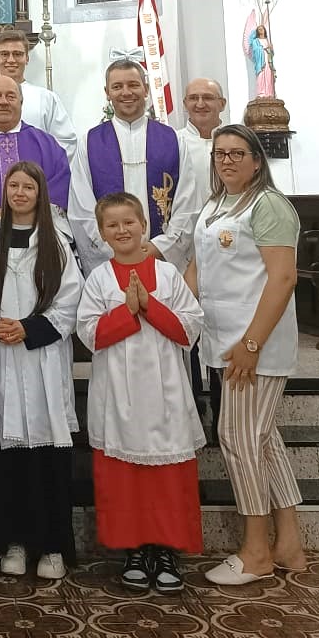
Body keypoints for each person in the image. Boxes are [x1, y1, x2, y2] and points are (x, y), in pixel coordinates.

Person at [189, 125, 306, 586]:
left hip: (255, 344)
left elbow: (282, 279)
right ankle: (290, 543)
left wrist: (252, 343)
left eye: (238, 153)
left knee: (237, 437)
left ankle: (256, 550)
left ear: (258, 160)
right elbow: (198, 270)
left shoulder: (269, 205)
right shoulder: (216, 205)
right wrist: (169, 310)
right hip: (223, 341)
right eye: (220, 154)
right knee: (263, 439)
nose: (227, 161)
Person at [76, 193, 205, 593]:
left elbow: (189, 329)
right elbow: (89, 334)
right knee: (124, 477)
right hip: (119, 393)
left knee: (166, 477)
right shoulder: (98, 279)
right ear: (101, 234)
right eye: (112, 225)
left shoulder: (167, 276)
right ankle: (132, 549)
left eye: (128, 222)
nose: (122, 230)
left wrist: (149, 306)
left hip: (163, 392)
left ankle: (166, 549)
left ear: (144, 225)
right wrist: (127, 312)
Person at [0, 162, 80, 580]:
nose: (20, 192)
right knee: (7, 460)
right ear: (4, 191)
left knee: (47, 458)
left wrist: (29, 328)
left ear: (40, 194)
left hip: (42, 358)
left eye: (28, 186)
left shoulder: (56, 241)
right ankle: (13, 543)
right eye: (13, 185)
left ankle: (53, 547)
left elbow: (70, 299)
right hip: (3, 358)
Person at [68, 58, 201, 274]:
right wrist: (115, 250)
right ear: (107, 92)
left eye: (133, 85)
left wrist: (159, 247)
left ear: (146, 89)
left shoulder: (173, 140)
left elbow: (188, 204)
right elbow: (81, 209)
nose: (126, 92)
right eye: (117, 87)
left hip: (160, 261)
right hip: (109, 262)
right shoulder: (90, 143)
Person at [0, 76, 71, 237]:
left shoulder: (46, 144)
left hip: (37, 235)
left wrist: (28, 218)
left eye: (11, 96)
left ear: (21, 103)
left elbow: (59, 184)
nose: (3, 102)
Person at [0, 29, 77, 159]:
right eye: (4, 54)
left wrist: (41, 173)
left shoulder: (46, 99)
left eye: (17, 54)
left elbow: (66, 142)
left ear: (27, 58)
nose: (11, 60)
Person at [179, 77, 228, 204]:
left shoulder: (237, 142)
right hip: (186, 222)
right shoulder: (173, 142)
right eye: (194, 98)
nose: (200, 104)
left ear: (222, 104)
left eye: (208, 98)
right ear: (185, 104)